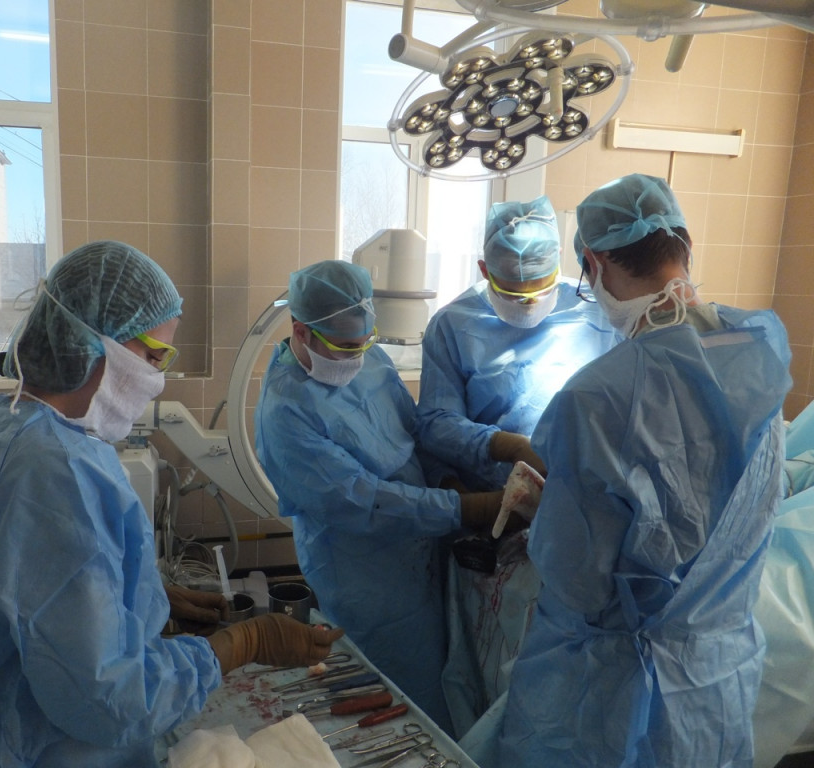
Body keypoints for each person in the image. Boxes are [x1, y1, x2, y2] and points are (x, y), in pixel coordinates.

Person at [0, 240, 342, 768]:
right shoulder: (57, 471)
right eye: (153, 357)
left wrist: (132, 596)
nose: (157, 379)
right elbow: (110, 700)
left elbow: (16, 588)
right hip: (46, 750)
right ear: (86, 340)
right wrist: (246, 644)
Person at [497, 175, 792, 767]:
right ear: (685, 245)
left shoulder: (596, 396)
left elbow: (580, 583)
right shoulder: (759, 352)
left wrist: (550, 516)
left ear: (594, 263)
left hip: (619, 692)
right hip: (720, 677)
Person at [254, 260, 520, 735]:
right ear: (301, 331)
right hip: (365, 580)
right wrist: (468, 507)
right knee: (390, 706)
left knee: (443, 685)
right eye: (345, 346)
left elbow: (412, 432)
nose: (357, 356)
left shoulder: (369, 359)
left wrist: (449, 479)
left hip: (422, 551)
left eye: (365, 340)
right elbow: (364, 501)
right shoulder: (286, 411)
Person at [417, 195, 616, 492]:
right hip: (493, 488)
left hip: (582, 486)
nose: (530, 305)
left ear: (559, 259)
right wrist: (503, 446)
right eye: (513, 295)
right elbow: (436, 422)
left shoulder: (597, 310)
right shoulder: (453, 325)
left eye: (542, 289)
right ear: (485, 271)